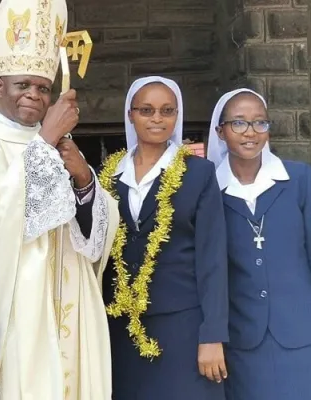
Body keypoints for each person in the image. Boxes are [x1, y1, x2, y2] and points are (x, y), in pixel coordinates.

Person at [0, 0, 120, 398]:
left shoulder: (60, 145)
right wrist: (44, 140)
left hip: (72, 296)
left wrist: (84, 179)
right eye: (23, 85)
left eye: (43, 88)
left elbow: (94, 232)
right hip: (19, 303)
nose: (34, 96)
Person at [98, 76, 229, 400]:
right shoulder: (109, 176)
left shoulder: (199, 173)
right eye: (147, 110)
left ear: (176, 115)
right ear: (131, 114)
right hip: (122, 327)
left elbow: (212, 259)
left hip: (183, 327)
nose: (157, 118)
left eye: (166, 110)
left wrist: (212, 335)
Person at [207, 89, 311, 400]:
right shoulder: (209, 188)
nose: (250, 132)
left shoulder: (299, 179)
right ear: (220, 132)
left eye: (259, 123)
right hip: (241, 340)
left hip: (300, 332)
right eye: (238, 123)